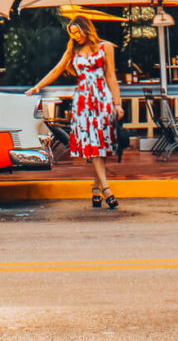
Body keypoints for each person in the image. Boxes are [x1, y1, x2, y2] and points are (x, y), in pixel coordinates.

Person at [27, 15, 124, 210]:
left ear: (86, 29)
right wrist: (37, 87)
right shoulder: (73, 50)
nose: (76, 37)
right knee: (94, 146)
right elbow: (56, 70)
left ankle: (96, 190)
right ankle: (106, 190)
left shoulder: (105, 47)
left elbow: (111, 75)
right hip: (84, 102)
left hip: (102, 99)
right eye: (72, 34)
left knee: (100, 146)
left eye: (78, 33)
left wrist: (117, 103)